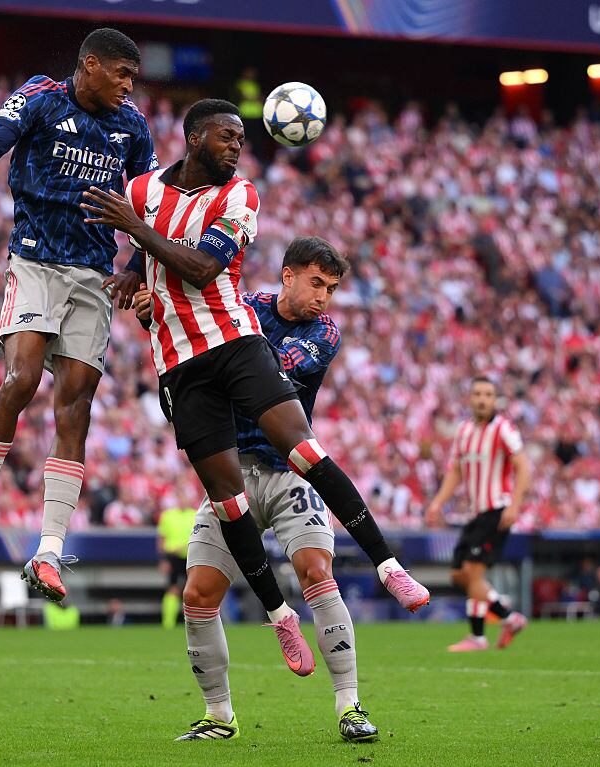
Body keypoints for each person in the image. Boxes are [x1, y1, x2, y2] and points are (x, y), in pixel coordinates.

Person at [83, 99, 429, 679]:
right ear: (196, 137)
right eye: (228, 137)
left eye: (242, 140)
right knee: (227, 502)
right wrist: (133, 277)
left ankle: (388, 566)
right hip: (180, 363)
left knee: (305, 451)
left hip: (235, 347)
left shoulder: (240, 196)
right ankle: (279, 616)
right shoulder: (142, 191)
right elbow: (151, 253)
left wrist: (136, 234)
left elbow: (201, 269)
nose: (237, 148)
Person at [0, 28, 159, 603]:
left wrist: (136, 264)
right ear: (91, 65)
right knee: (23, 378)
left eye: (132, 78)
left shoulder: (132, 126)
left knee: (76, 405)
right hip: (35, 262)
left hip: (93, 274)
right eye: (121, 74)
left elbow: (150, 205)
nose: (128, 86)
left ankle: (50, 551)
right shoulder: (40, 96)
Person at [136, 236, 381, 742]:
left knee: (316, 571)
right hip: (233, 473)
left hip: (290, 472)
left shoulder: (323, 333)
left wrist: (215, 341)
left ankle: (350, 706)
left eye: (332, 288)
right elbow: (192, 332)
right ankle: (218, 715)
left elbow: (265, 365)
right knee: (198, 592)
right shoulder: (244, 307)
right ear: (288, 275)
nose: (323, 297)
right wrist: (154, 311)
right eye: (316, 283)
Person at [426, 376, 531, 651]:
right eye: (478, 394)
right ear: (470, 398)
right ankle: (507, 618)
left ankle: (480, 635)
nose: (482, 399)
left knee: (472, 574)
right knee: (459, 575)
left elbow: (523, 466)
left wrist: (515, 506)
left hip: (496, 509)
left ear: (495, 400)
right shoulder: (464, 431)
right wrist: (437, 503)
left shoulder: (503, 428)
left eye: (488, 394)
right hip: (476, 514)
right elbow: (455, 471)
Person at [156, 489, 194, 629]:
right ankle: (168, 623)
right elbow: (161, 538)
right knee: (173, 588)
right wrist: (163, 559)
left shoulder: (195, 514)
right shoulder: (168, 516)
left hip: (191, 556)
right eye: (181, 497)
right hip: (173, 556)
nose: (183, 501)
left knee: (192, 590)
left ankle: (192, 622)